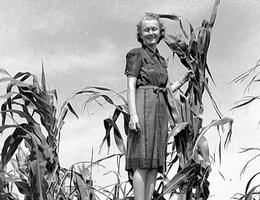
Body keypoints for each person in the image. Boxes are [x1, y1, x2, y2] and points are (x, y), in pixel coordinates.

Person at [124, 13, 190, 200]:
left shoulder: (161, 61)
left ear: (160, 31)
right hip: (143, 106)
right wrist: (133, 115)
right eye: (146, 30)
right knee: (142, 161)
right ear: (140, 33)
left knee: (154, 164)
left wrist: (183, 80)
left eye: (154, 29)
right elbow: (130, 86)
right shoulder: (136, 54)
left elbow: (166, 90)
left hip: (160, 110)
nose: (151, 33)